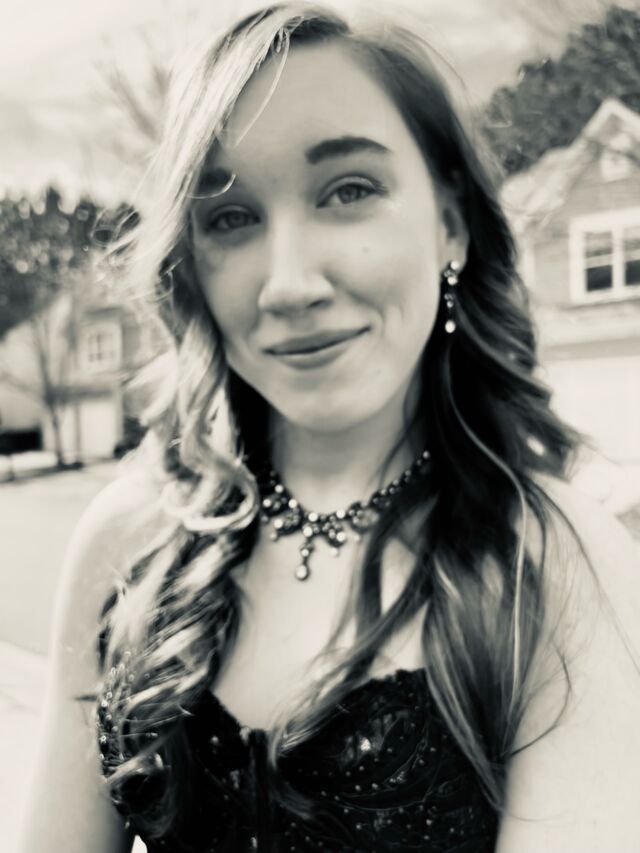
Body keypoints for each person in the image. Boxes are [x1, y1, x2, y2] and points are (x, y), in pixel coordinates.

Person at [19, 3, 640, 851]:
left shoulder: (558, 566)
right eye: (230, 217)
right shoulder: (126, 547)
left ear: (450, 223)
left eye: (349, 191)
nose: (290, 284)